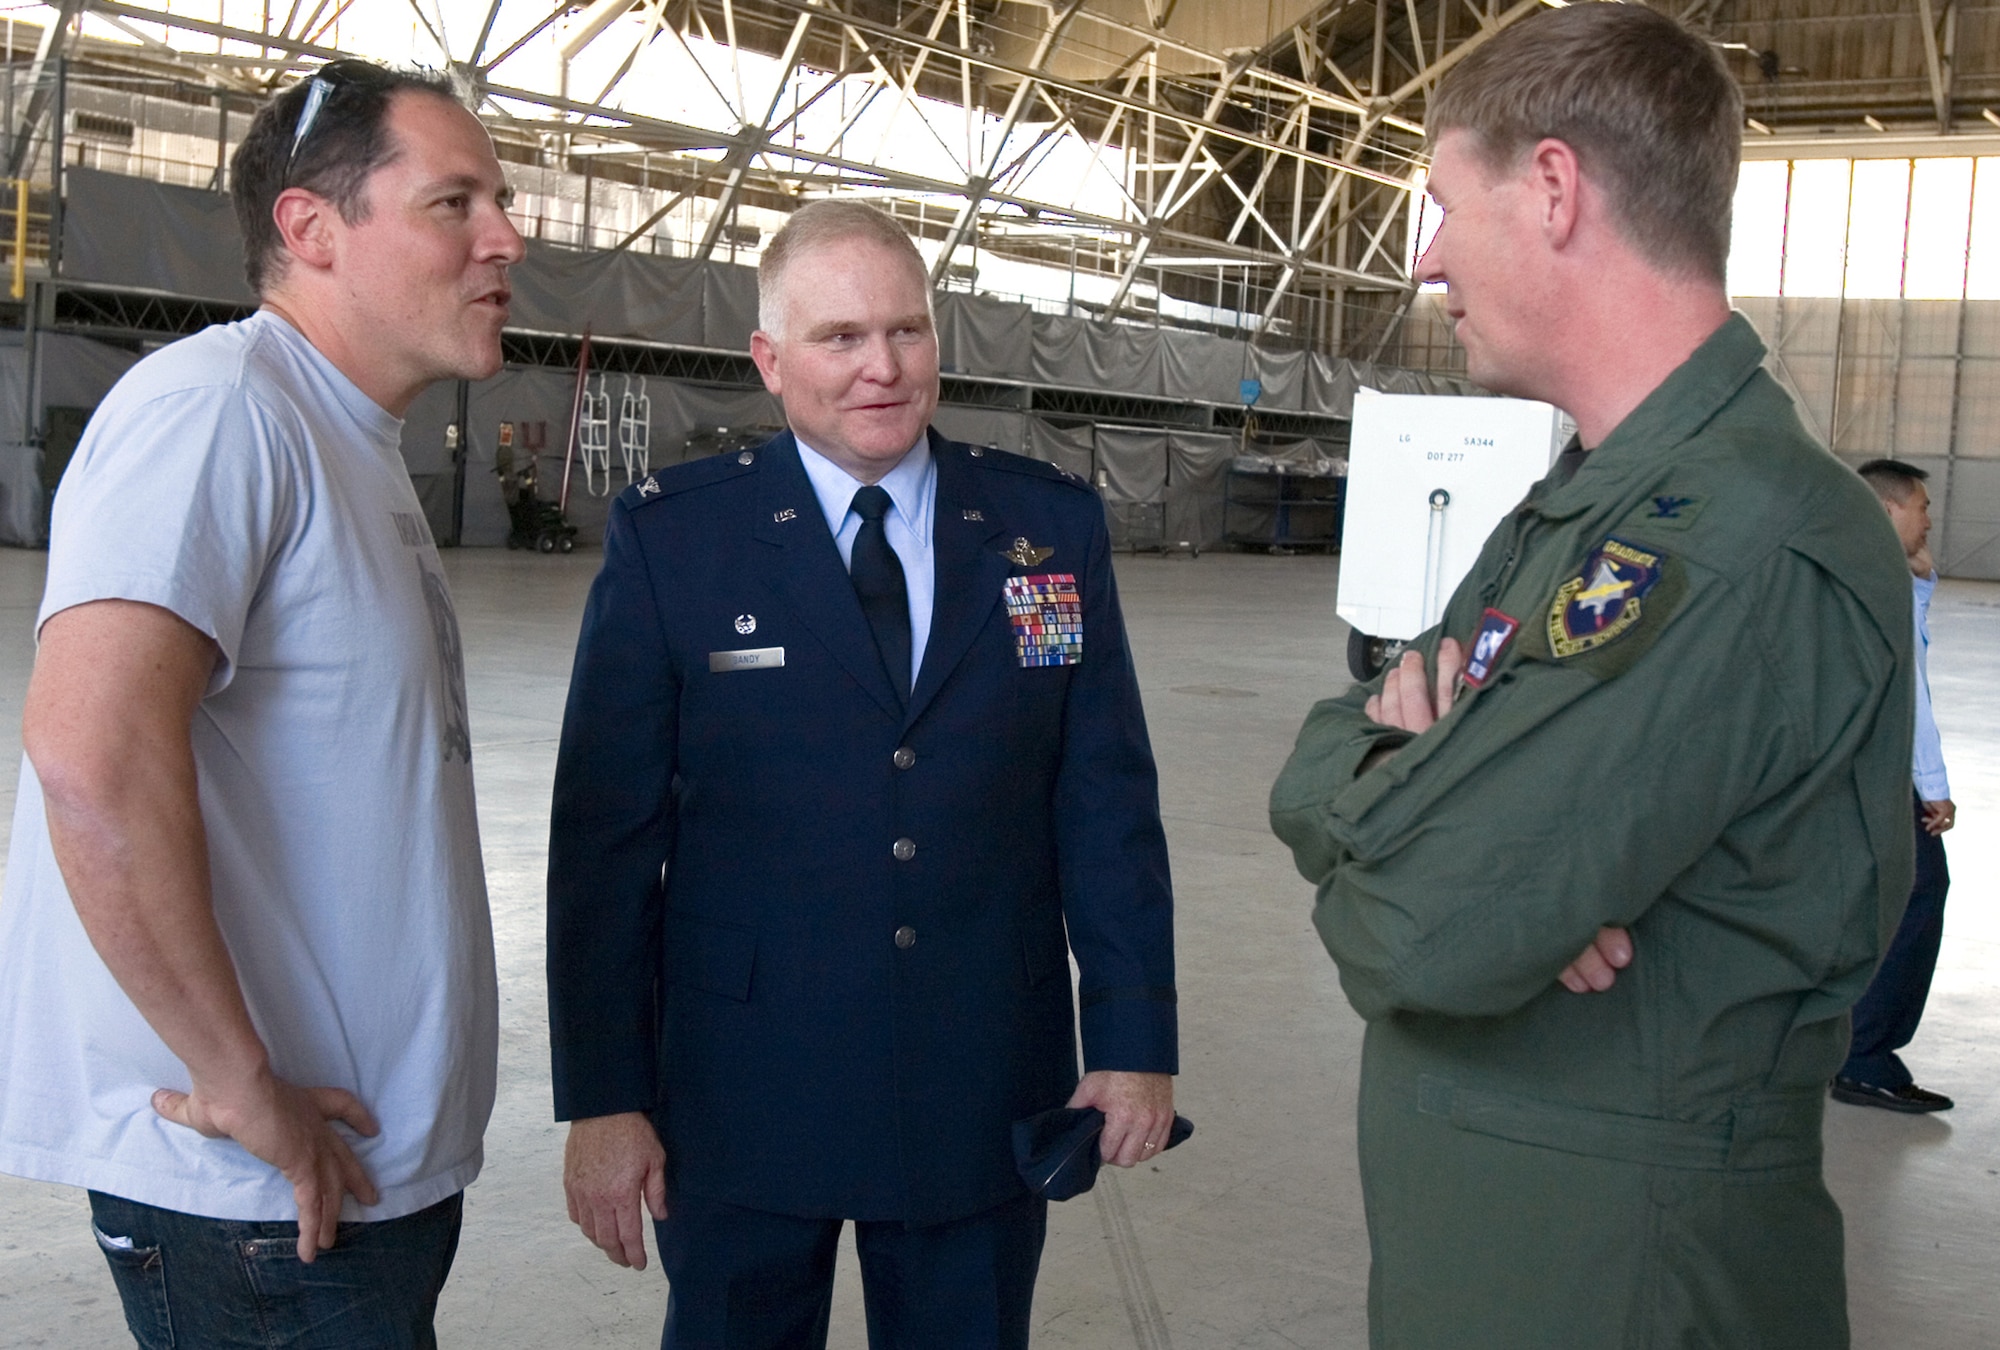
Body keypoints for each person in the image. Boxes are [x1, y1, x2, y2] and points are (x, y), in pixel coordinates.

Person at [1268, 6, 1914, 1346]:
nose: (1429, 257)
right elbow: (1340, 744)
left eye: (1443, 202)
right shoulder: (1584, 505)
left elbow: (1427, 929)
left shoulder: (1732, 533)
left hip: (1626, 1277)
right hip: (1525, 1257)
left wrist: (1432, 834)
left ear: (1553, 187)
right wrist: (1418, 791)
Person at [546, 198, 1178, 1349]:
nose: (880, 368)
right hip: (739, 1084)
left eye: (906, 330)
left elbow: (1104, 802)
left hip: (980, 1072)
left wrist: (1133, 1041)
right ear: (769, 359)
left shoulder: (1043, 529)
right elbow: (604, 842)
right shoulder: (677, 540)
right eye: (839, 337)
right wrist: (601, 1094)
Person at [0, 61, 524, 1347]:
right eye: (455, 202)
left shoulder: (346, 440)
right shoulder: (220, 412)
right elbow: (89, 755)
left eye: (500, 202)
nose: (508, 238)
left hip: (341, 1183)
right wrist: (240, 1086)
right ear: (311, 231)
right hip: (255, 1205)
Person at [1834, 459, 1956, 1113]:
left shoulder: (1856, 567)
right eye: (1921, 508)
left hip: (1846, 771)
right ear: (1886, 511)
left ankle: (1851, 1047)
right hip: (1882, 775)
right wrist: (1930, 785)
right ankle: (1866, 1057)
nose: (1930, 518)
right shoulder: (1880, 581)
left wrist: (1923, 572)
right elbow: (1908, 691)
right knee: (1915, 901)